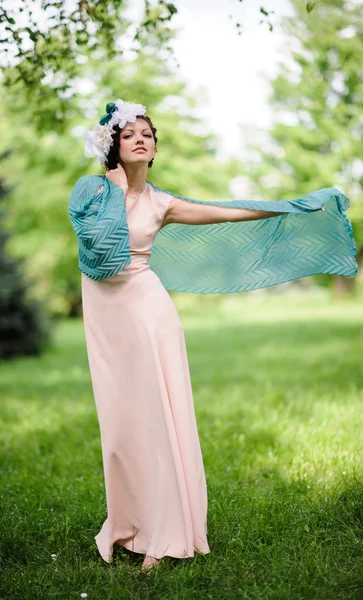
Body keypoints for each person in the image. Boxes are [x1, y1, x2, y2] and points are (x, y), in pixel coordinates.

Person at [69, 99, 356, 572]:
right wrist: (117, 186)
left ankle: (164, 535)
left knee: (158, 418)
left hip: (148, 313)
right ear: (113, 147)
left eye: (148, 133)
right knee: (121, 425)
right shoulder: (92, 192)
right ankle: (129, 523)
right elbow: (97, 249)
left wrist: (290, 208)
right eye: (128, 134)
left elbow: (228, 212)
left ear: (155, 147)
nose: (141, 138)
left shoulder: (163, 203)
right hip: (106, 321)